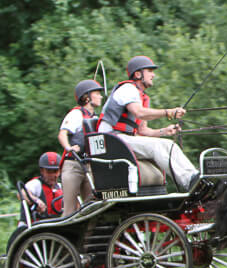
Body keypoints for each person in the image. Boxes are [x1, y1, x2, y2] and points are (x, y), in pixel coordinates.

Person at [98, 55, 200, 191]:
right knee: (156, 147)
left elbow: (143, 131)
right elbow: (139, 112)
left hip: (123, 139)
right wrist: (168, 112)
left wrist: (164, 131)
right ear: (138, 74)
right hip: (111, 139)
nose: (153, 75)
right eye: (150, 71)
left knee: (170, 145)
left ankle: (195, 178)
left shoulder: (142, 96)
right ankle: (189, 183)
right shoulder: (127, 89)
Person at [57, 79, 103, 216]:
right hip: (74, 165)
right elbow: (62, 134)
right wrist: (69, 147)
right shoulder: (76, 114)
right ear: (86, 97)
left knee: (92, 208)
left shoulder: (96, 117)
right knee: (70, 209)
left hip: (89, 165)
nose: (100, 96)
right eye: (97, 93)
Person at [19, 152, 64, 224]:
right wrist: (36, 201)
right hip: (34, 226)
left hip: (55, 226)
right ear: (42, 171)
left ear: (60, 171)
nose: (52, 175)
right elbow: (22, 193)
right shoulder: (36, 184)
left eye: (55, 171)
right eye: (49, 171)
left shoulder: (61, 187)